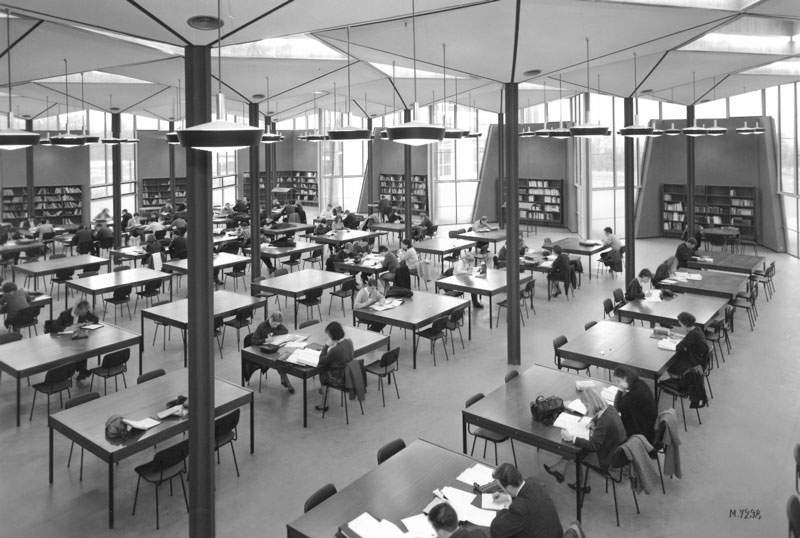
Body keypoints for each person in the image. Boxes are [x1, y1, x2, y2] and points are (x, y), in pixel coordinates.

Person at [543, 387, 627, 494]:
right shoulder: (609, 409)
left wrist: (572, 438)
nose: (587, 409)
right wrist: (593, 421)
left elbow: (593, 446)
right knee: (578, 446)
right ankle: (560, 468)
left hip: (608, 460)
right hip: (614, 451)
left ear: (591, 403)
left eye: (586, 405)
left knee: (577, 453)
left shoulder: (604, 422)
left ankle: (582, 484)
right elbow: (598, 417)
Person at [489, 463, 563, 538]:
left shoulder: (519, 507)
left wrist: (503, 510)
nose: (502, 490)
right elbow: (526, 495)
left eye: (502, 488)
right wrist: (507, 498)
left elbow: (496, 531)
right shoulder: (534, 482)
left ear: (509, 488)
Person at [314, 321, 355, 412]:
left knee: (323, 374)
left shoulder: (335, 350)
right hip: (350, 373)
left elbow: (322, 360)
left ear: (332, 336)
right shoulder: (349, 341)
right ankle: (324, 390)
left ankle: (324, 403)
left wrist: (326, 346)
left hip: (340, 378)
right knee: (326, 369)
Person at [250, 312, 294, 393]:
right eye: (274, 324)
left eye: (277, 325)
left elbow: (285, 330)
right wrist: (265, 340)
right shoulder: (261, 326)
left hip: (273, 348)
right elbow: (253, 341)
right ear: (270, 319)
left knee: (282, 359)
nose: (275, 326)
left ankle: (284, 380)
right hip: (263, 351)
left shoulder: (276, 324)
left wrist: (274, 333)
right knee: (278, 362)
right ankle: (287, 382)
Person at [612, 366, 657, 444]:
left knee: (613, 428)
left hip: (642, 434)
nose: (617, 384)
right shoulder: (641, 384)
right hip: (649, 426)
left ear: (625, 378)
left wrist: (620, 390)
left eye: (618, 381)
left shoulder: (633, 395)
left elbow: (617, 408)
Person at [667, 312, 709, 377]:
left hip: (695, 361)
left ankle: (678, 383)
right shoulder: (697, 329)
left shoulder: (691, 334)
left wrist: (674, 341)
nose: (681, 326)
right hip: (701, 359)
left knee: (670, 367)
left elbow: (678, 347)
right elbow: (687, 342)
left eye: (681, 324)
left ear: (685, 324)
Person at [71, 301, 100, 380]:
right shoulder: (68, 315)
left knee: (83, 348)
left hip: (78, 335)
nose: (86, 312)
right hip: (67, 336)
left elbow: (95, 319)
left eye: (86, 310)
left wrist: (86, 323)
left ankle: (82, 371)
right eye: (84, 310)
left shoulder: (85, 312)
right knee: (77, 349)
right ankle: (83, 371)